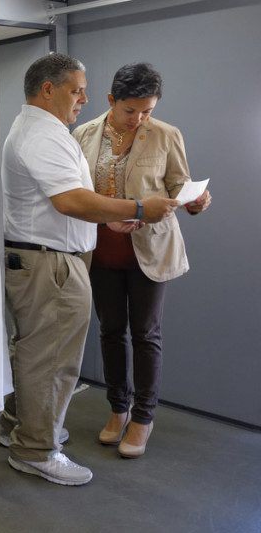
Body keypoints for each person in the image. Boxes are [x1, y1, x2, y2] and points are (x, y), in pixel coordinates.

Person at [0, 53, 179, 486]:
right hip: (51, 264)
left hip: (53, 257)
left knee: (36, 353)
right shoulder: (48, 136)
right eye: (77, 90)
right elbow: (71, 200)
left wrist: (109, 220)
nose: (84, 98)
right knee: (52, 361)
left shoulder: (43, 131)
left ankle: (23, 427)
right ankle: (36, 450)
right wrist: (138, 208)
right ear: (49, 89)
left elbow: (67, 199)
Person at [72, 63, 211, 458]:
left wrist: (196, 202)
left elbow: (179, 186)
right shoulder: (84, 134)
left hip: (150, 250)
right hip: (100, 248)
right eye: (130, 110)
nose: (139, 119)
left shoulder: (167, 135)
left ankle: (143, 417)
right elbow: (79, 192)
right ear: (111, 100)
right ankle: (118, 408)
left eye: (148, 111)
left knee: (146, 334)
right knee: (110, 331)